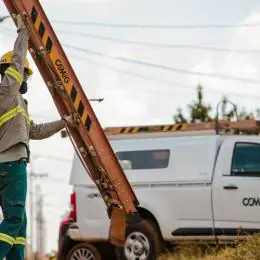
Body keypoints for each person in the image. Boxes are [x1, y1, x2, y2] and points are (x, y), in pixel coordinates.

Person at [0, 14, 73, 259]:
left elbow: (35, 131)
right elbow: (18, 63)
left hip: (9, 164)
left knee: (19, 224)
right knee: (13, 219)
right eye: (25, 75)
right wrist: (24, 34)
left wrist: (65, 122)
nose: (25, 79)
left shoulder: (17, 103)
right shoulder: (6, 91)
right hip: (10, 165)